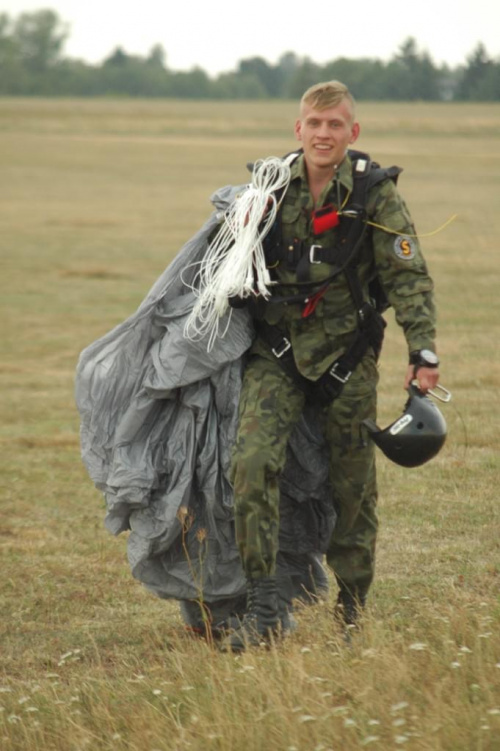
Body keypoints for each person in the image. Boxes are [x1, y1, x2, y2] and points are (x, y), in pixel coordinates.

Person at [226, 80, 440, 650]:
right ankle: (265, 608)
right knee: (249, 464)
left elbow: (408, 276)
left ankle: (350, 611)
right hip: (278, 354)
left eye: (335, 125)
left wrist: (424, 352)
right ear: (298, 129)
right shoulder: (267, 187)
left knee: (354, 487)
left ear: (353, 131)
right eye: (314, 125)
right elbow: (225, 266)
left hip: (347, 359)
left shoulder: (375, 194)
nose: (324, 135)